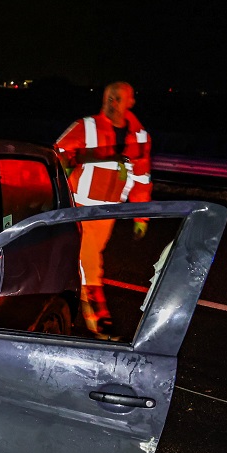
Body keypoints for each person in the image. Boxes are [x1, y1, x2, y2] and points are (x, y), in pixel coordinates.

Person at [54, 81, 152, 337]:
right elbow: (58, 156)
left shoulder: (139, 137)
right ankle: (99, 319)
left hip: (109, 213)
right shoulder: (86, 127)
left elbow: (142, 180)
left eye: (118, 98)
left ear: (130, 102)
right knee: (89, 262)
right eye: (109, 97)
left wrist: (140, 216)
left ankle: (66, 302)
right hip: (80, 207)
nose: (113, 103)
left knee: (81, 260)